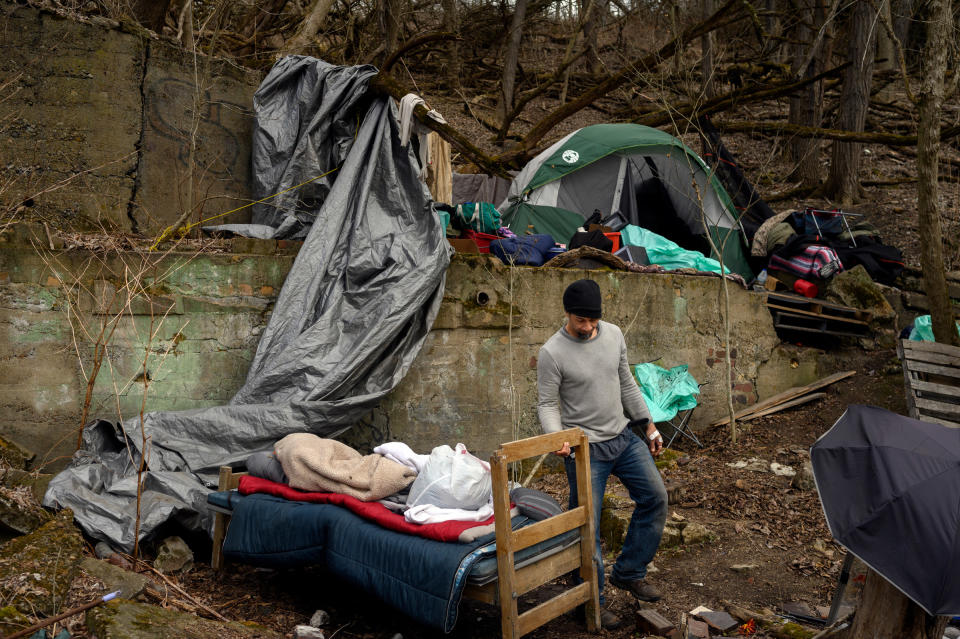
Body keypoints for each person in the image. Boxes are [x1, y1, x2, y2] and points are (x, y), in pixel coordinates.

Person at [536, 278, 668, 630]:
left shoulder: (613, 335)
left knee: (655, 497)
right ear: (567, 314)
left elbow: (626, 382)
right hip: (584, 450)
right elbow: (548, 404)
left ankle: (629, 571)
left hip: (623, 438)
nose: (589, 327)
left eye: (593, 320)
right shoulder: (552, 352)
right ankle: (590, 600)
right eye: (582, 321)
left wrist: (649, 426)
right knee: (587, 527)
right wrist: (556, 436)